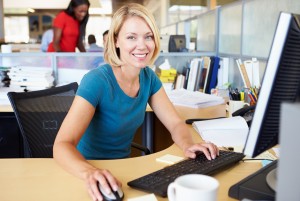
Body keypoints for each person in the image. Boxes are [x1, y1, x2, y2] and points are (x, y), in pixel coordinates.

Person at [53, 3, 219, 201]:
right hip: (88, 172)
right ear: (116, 41)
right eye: (131, 37)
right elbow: (62, 144)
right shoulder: (97, 81)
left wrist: (187, 145)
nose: (142, 45)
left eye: (148, 36)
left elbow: (175, 123)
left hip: (124, 169)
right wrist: (89, 172)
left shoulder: (149, 78)